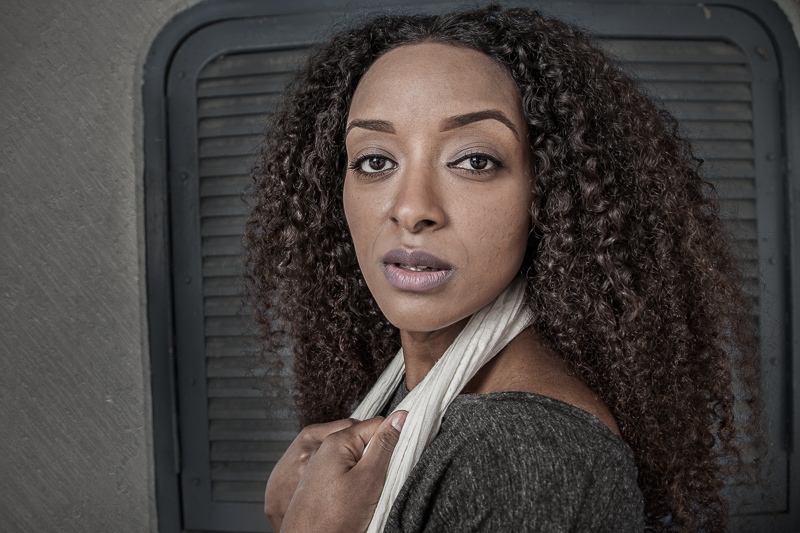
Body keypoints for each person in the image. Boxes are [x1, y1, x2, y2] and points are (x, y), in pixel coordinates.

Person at [243, 4, 764, 532]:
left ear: (549, 195)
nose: (411, 207)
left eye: (474, 160)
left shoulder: (522, 455)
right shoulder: (420, 394)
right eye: (375, 161)